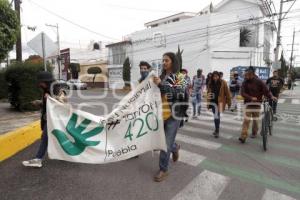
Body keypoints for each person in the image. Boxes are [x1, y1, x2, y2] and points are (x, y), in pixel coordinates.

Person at [153, 52, 186, 182]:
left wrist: (161, 85)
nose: (164, 63)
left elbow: (178, 93)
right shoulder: (161, 76)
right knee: (165, 142)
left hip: (174, 114)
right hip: (161, 114)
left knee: (165, 143)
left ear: (173, 61)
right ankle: (175, 147)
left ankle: (163, 169)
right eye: (163, 60)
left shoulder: (180, 77)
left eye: (166, 60)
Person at [22, 71, 67, 168]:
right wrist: (39, 102)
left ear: (46, 81)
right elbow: (47, 104)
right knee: (53, 137)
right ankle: (66, 154)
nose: (39, 84)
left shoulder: (58, 90)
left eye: (41, 81)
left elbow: (63, 103)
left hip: (55, 118)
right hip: (49, 118)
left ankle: (38, 159)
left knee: (45, 137)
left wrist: (51, 98)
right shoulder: (46, 89)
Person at [239, 66, 276, 143]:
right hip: (248, 104)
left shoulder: (259, 81)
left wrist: (271, 96)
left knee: (255, 121)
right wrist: (250, 97)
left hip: (257, 104)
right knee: (246, 120)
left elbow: (266, 91)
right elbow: (242, 93)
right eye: (245, 75)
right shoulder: (245, 82)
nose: (245, 77)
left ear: (251, 74)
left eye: (246, 75)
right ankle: (243, 136)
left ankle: (254, 132)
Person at [207, 71, 231, 138]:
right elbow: (208, 92)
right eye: (214, 76)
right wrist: (208, 102)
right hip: (213, 102)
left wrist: (229, 103)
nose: (215, 78)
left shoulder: (223, 83)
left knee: (217, 116)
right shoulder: (210, 83)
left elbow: (227, 93)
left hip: (220, 102)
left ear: (219, 76)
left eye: (216, 76)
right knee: (216, 116)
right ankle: (216, 129)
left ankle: (217, 131)